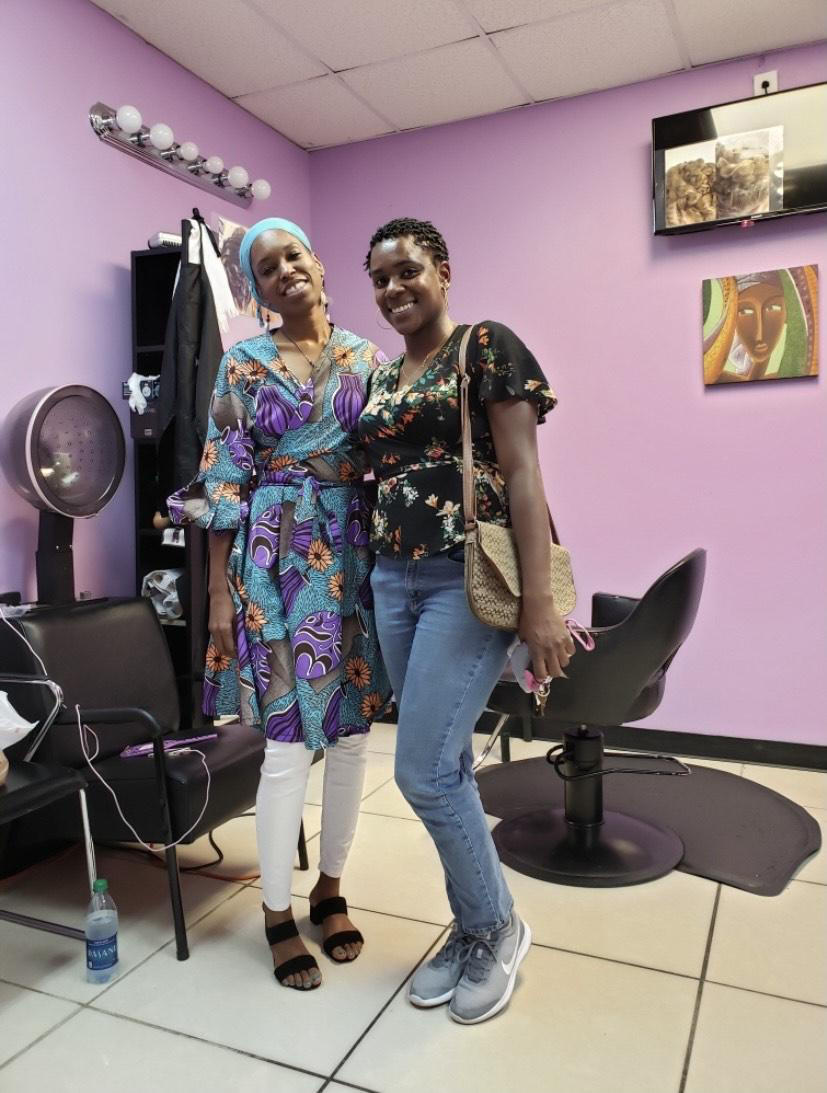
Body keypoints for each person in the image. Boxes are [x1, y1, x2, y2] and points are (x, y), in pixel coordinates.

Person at [358, 218, 575, 1025]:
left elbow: (521, 472)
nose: (393, 289)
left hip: (465, 579)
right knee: (440, 764)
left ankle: (496, 926)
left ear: (441, 271)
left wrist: (539, 607)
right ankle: (473, 922)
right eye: (379, 279)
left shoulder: (485, 346)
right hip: (391, 578)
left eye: (407, 271)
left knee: (419, 770)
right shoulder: (382, 378)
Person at [168, 217, 390, 991]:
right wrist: (217, 595)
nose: (284, 271)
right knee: (288, 741)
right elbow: (222, 481)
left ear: (320, 264)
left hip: (353, 554)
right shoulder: (241, 365)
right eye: (266, 268)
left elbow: (389, 457)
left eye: (293, 254)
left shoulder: (368, 357)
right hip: (271, 555)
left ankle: (330, 886)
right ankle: (273, 909)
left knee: (355, 734)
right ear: (257, 291)